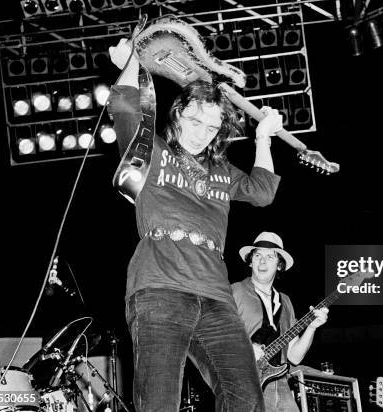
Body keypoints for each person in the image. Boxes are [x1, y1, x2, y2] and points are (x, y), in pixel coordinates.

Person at [107, 38, 284, 411]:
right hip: (160, 288)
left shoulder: (221, 170)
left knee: (247, 398)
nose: (203, 132)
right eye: (195, 120)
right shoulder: (152, 151)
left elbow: (262, 192)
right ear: (178, 113)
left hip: (217, 298)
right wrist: (129, 65)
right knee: (159, 402)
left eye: (212, 126)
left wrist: (264, 137)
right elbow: (124, 105)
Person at [232, 232, 329, 412]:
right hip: (244, 384)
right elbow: (214, 334)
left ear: (279, 265)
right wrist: (245, 346)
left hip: (280, 384)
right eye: (258, 255)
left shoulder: (285, 301)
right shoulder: (235, 291)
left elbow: (294, 356)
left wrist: (312, 328)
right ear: (250, 261)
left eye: (270, 257)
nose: (262, 261)